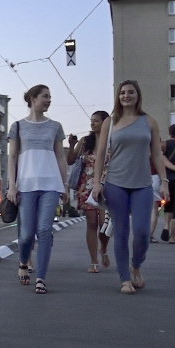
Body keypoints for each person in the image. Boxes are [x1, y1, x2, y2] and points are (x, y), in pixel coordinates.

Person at [91, 80, 168, 294]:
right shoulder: (110, 122)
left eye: (131, 92)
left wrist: (164, 181)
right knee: (122, 232)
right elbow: (100, 156)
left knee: (143, 232)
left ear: (137, 95)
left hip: (142, 183)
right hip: (116, 183)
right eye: (123, 92)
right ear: (118, 96)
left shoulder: (149, 122)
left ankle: (136, 264)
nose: (126, 95)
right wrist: (97, 183)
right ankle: (125, 278)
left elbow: (157, 154)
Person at [6, 84, 67, 295]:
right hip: (26, 185)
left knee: (44, 230)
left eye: (50, 97)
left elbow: (60, 157)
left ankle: (40, 277)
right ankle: (23, 262)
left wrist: (64, 184)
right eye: (45, 96)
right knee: (25, 235)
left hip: (51, 184)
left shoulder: (55, 126)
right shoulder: (18, 126)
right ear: (32, 99)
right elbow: (12, 157)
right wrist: (12, 185)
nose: (49, 100)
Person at [67, 111, 111, 273]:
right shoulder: (86, 141)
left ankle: (103, 249)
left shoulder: (112, 140)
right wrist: (72, 145)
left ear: (106, 122)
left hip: (108, 185)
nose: (92, 124)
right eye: (91, 121)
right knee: (91, 223)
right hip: (87, 185)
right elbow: (70, 160)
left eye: (96, 121)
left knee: (103, 225)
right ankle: (93, 261)